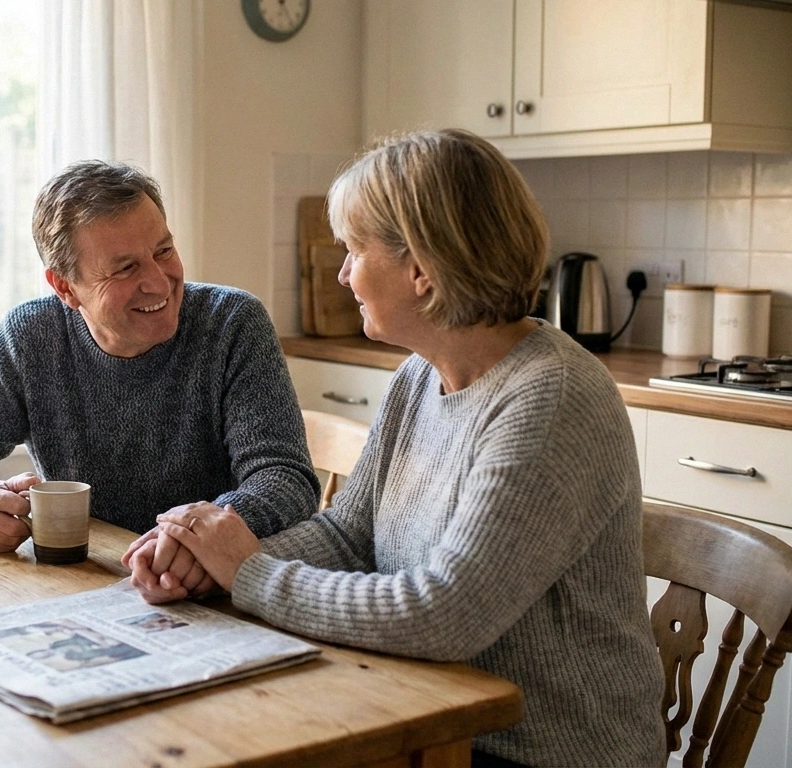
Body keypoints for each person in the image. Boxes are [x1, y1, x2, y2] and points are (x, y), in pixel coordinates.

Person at [125, 130, 665, 767]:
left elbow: (444, 614)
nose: (342, 272)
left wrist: (250, 573)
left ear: (422, 271)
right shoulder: (421, 374)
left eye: (354, 250)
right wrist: (210, 565)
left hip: (534, 748)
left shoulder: (550, 398)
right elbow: (351, 534)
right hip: (425, 709)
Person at [0, 160, 319, 594]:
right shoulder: (30, 336)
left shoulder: (233, 323)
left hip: (213, 589)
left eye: (163, 251)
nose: (159, 283)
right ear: (65, 287)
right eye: (125, 269)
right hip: (85, 583)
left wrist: (193, 533)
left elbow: (285, 479)